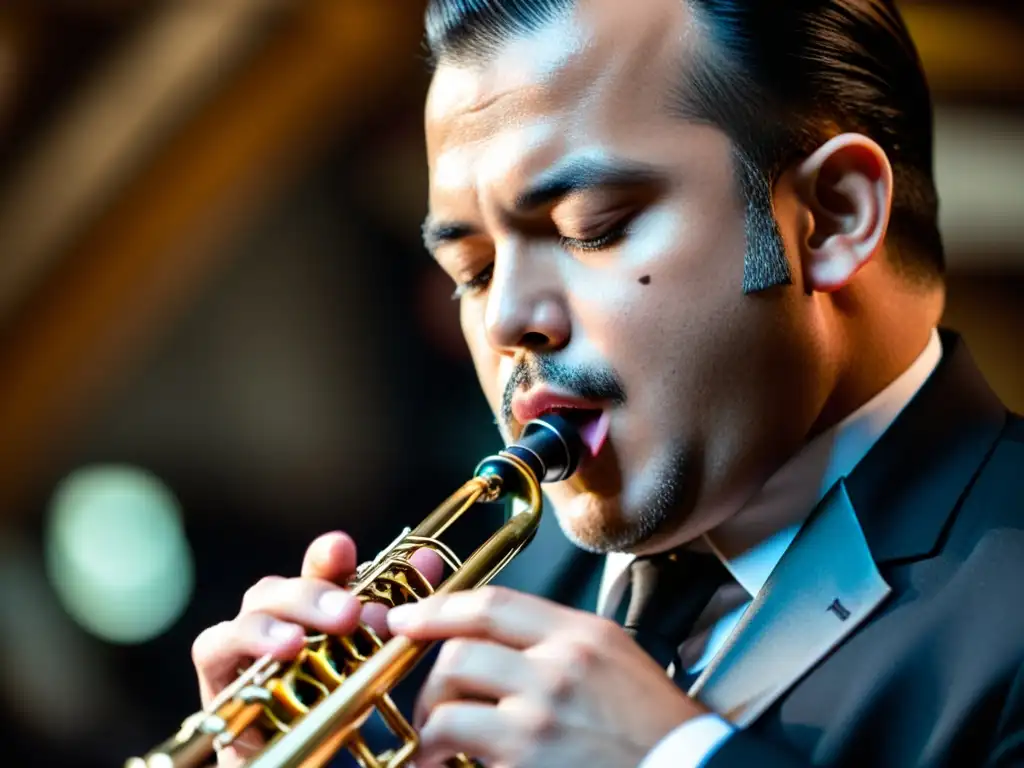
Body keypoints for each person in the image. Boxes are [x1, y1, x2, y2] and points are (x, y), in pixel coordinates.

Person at [190, 0, 1024, 766]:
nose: (507, 320)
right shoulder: (498, 590)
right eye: (471, 271)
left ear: (833, 217)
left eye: (592, 230)